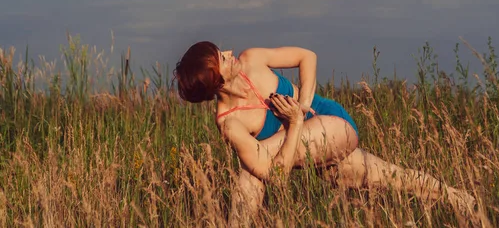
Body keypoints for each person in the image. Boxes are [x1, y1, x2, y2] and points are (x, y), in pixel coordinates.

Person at [175, 42, 482, 226]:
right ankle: (463, 201)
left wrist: (304, 107)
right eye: (222, 58)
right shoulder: (231, 123)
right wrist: (295, 123)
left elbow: (306, 56)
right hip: (315, 157)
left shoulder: (252, 58)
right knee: (393, 179)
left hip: (332, 124)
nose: (229, 53)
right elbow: (279, 177)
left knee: (251, 173)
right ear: (216, 82)